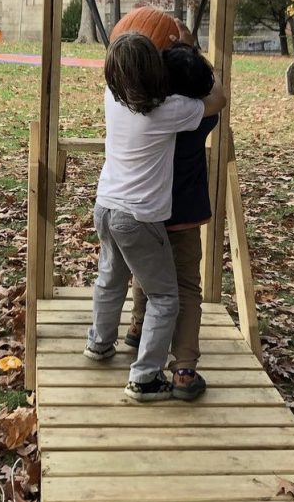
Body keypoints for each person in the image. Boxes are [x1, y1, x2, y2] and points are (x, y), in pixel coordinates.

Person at [84, 32, 227, 402]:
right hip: (140, 216)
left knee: (110, 278)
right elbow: (217, 98)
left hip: (105, 206)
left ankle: (100, 343)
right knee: (167, 295)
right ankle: (146, 377)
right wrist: (193, 52)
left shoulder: (112, 98)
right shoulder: (172, 111)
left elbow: (130, 75)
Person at [125, 43, 218, 401]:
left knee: (146, 275)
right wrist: (195, 52)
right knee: (187, 288)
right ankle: (183, 370)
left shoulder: (149, 111)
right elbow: (218, 92)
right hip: (186, 217)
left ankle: (136, 327)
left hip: (150, 212)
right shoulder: (201, 115)